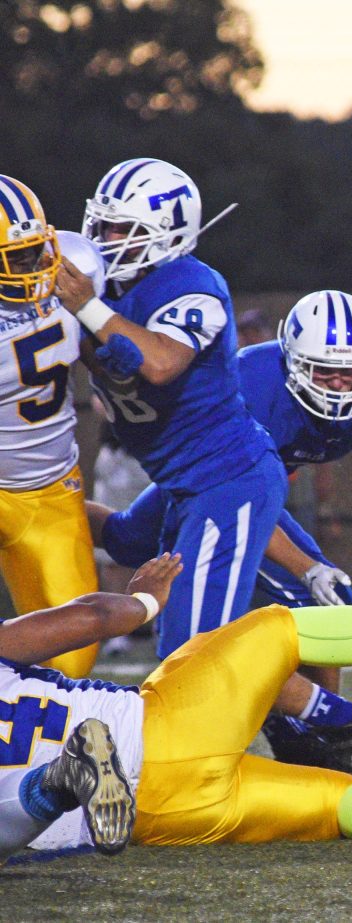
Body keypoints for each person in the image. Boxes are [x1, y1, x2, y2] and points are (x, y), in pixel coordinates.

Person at [91, 290, 352, 776]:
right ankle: (47, 505)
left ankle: (320, 737)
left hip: (253, 487)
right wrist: (307, 568)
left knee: (328, 603)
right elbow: (236, 500)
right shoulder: (246, 384)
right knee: (128, 545)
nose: (338, 385)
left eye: (349, 373)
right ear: (293, 362)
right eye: (323, 373)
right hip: (209, 480)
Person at [0, 554, 352, 864]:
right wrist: (143, 600)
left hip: (153, 817)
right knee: (275, 630)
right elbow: (95, 618)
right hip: (158, 730)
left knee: (334, 806)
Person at [54, 158, 287, 662]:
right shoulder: (107, 288)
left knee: (190, 649)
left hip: (226, 475)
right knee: (123, 539)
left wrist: (86, 309)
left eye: (122, 229)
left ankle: (329, 698)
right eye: (101, 224)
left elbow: (161, 363)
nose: (105, 239)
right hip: (179, 480)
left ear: (167, 234)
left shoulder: (191, 283)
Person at [0, 175, 106, 678]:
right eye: (13, 257)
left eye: (32, 251)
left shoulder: (78, 264)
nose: (30, 267)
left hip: (50, 491)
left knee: (73, 659)